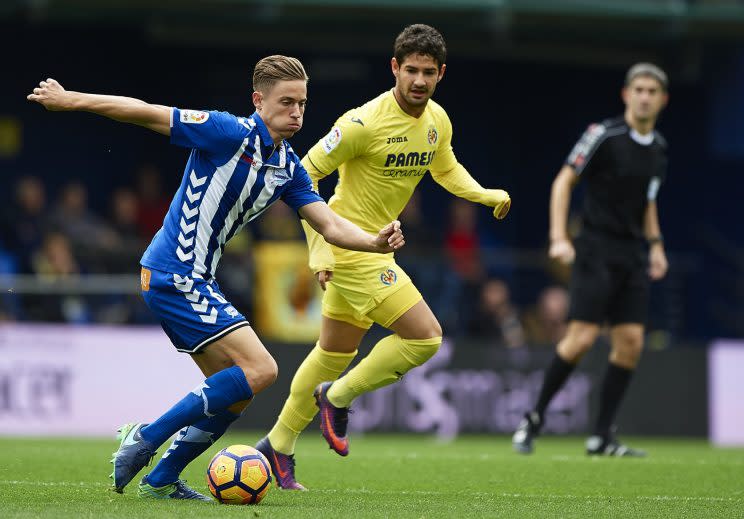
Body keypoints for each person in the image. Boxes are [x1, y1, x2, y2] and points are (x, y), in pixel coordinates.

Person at [27, 55, 405, 501]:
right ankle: (146, 436)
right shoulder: (227, 131)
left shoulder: (288, 167)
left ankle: (161, 480)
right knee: (263, 368)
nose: (297, 113)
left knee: (237, 395)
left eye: (302, 103)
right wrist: (70, 100)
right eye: (287, 102)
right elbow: (146, 112)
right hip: (174, 272)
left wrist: (375, 242)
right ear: (258, 101)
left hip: (192, 279)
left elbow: (330, 224)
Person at [254, 24, 511, 490]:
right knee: (426, 338)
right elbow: (303, 175)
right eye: (410, 70)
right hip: (351, 251)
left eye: (428, 72)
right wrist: (317, 251)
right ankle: (339, 396)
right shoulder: (361, 123)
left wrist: (485, 195)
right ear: (394, 68)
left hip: (375, 251)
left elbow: (446, 169)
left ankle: (277, 445)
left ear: (441, 74)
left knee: (333, 353)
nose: (418, 80)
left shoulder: (437, 121)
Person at [512, 63, 670, 457]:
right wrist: (558, 237)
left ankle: (601, 436)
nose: (645, 96)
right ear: (626, 95)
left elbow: (648, 201)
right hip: (596, 249)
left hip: (632, 255)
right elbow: (563, 181)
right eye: (639, 89)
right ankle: (533, 417)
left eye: (652, 91)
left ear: (662, 99)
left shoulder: (660, 149)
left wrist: (656, 245)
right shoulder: (603, 135)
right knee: (580, 339)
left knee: (631, 342)